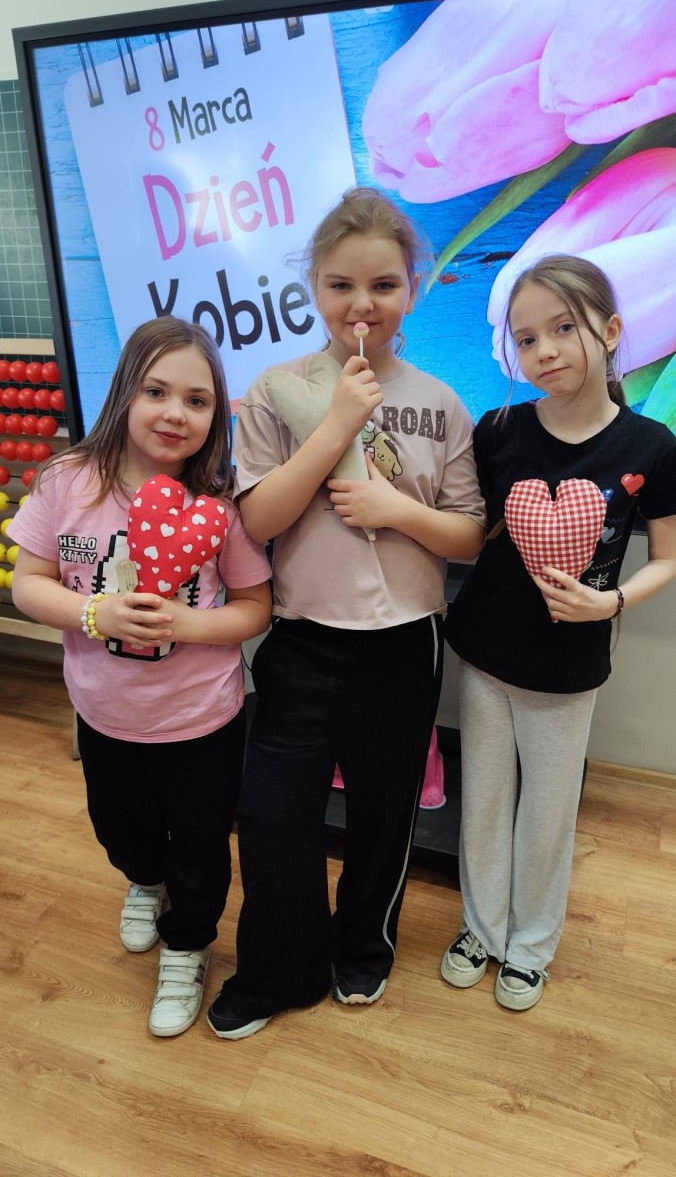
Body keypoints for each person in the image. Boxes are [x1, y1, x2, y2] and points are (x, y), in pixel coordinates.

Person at [207, 186, 485, 1040]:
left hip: (403, 647)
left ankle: (364, 947)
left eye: (383, 285)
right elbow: (258, 520)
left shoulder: (441, 403)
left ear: (413, 290)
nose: (362, 304)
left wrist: (396, 510)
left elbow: (469, 536)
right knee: (272, 815)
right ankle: (275, 969)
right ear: (314, 289)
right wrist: (336, 427)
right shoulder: (277, 390)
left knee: (382, 814)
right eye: (340, 285)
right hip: (301, 641)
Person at [9, 317, 272, 1038]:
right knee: (120, 831)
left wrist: (185, 623)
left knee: (202, 850)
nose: (174, 412)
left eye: (197, 400)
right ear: (125, 390)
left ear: (215, 417)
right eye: (157, 391)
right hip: (103, 716)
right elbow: (29, 584)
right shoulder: (67, 481)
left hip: (202, 722)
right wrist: (93, 612)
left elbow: (255, 606)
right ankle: (143, 879)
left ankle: (187, 947)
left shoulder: (220, 504)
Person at [442, 254, 676, 1011]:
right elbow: (471, 530)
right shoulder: (498, 430)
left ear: (610, 331)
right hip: (484, 652)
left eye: (563, 328)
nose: (543, 351)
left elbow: (668, 557)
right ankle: (482, 927)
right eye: (525, 338)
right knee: (482, 802)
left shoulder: (651, 446)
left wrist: (611, 605)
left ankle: (531, 945)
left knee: (546, 813)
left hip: (568, 668)